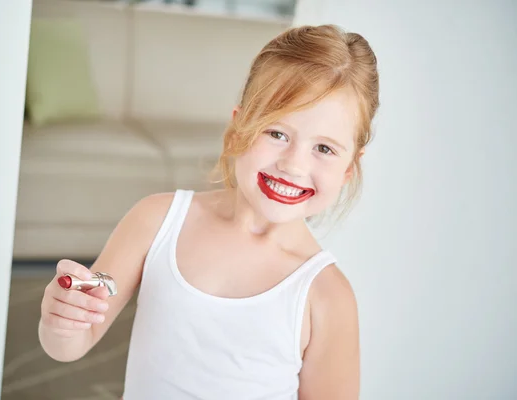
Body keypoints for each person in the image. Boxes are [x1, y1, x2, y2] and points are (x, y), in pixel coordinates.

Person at [39, 24, 380, 399]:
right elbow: (69, 345)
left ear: (350, 166)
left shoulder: (328, 297)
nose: (294, 166)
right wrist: (61, 318)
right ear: (238, 128)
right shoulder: (156, 220)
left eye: (325, 149)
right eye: (277, 133)